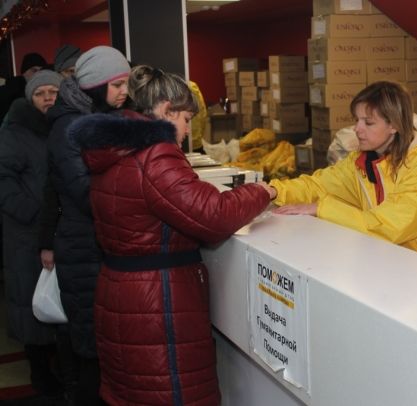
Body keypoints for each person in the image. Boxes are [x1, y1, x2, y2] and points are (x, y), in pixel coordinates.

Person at [70, 65, 273, 405]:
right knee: (171, 393)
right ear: (166, 110)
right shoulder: (155, 153)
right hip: (158, 303)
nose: (188, 130)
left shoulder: (115, 150)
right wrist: (263, 192)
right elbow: (214, 215)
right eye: (186, 119)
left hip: (122, 295)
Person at [268, 81, 417, 276]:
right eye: (357, 120)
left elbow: (389, 225)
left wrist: (321, 208)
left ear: (393, 125)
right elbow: (318, 184)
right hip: (415, 267)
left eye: (368, 122)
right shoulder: (363, 162)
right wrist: (273, 190)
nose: (357, 129)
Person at [45, 45, 130, 405]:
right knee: (92, 353)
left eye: (126, 83)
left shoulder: (102, 117)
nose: (124, 92)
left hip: (97, 244)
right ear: (95, 85)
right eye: (117, 85)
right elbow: (85, 192)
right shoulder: (69, 127)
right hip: (83, 247)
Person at [0, 69, 64, 397]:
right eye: (41, 93)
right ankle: (39, 371)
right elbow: (3, 182)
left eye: (54, 91)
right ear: (30, 98)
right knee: (31, 301)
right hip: (26, 233)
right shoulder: (14, 131)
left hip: (56, 229)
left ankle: (59, 368)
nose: (48, 98)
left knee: (55, 301)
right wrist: (37, 215)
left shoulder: (62, 126)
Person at [0, 52, 48, 122]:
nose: (38, 74)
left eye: (41, 71)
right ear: (24, 73)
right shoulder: (7, 93)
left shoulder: (48, 93)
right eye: (34, 70)